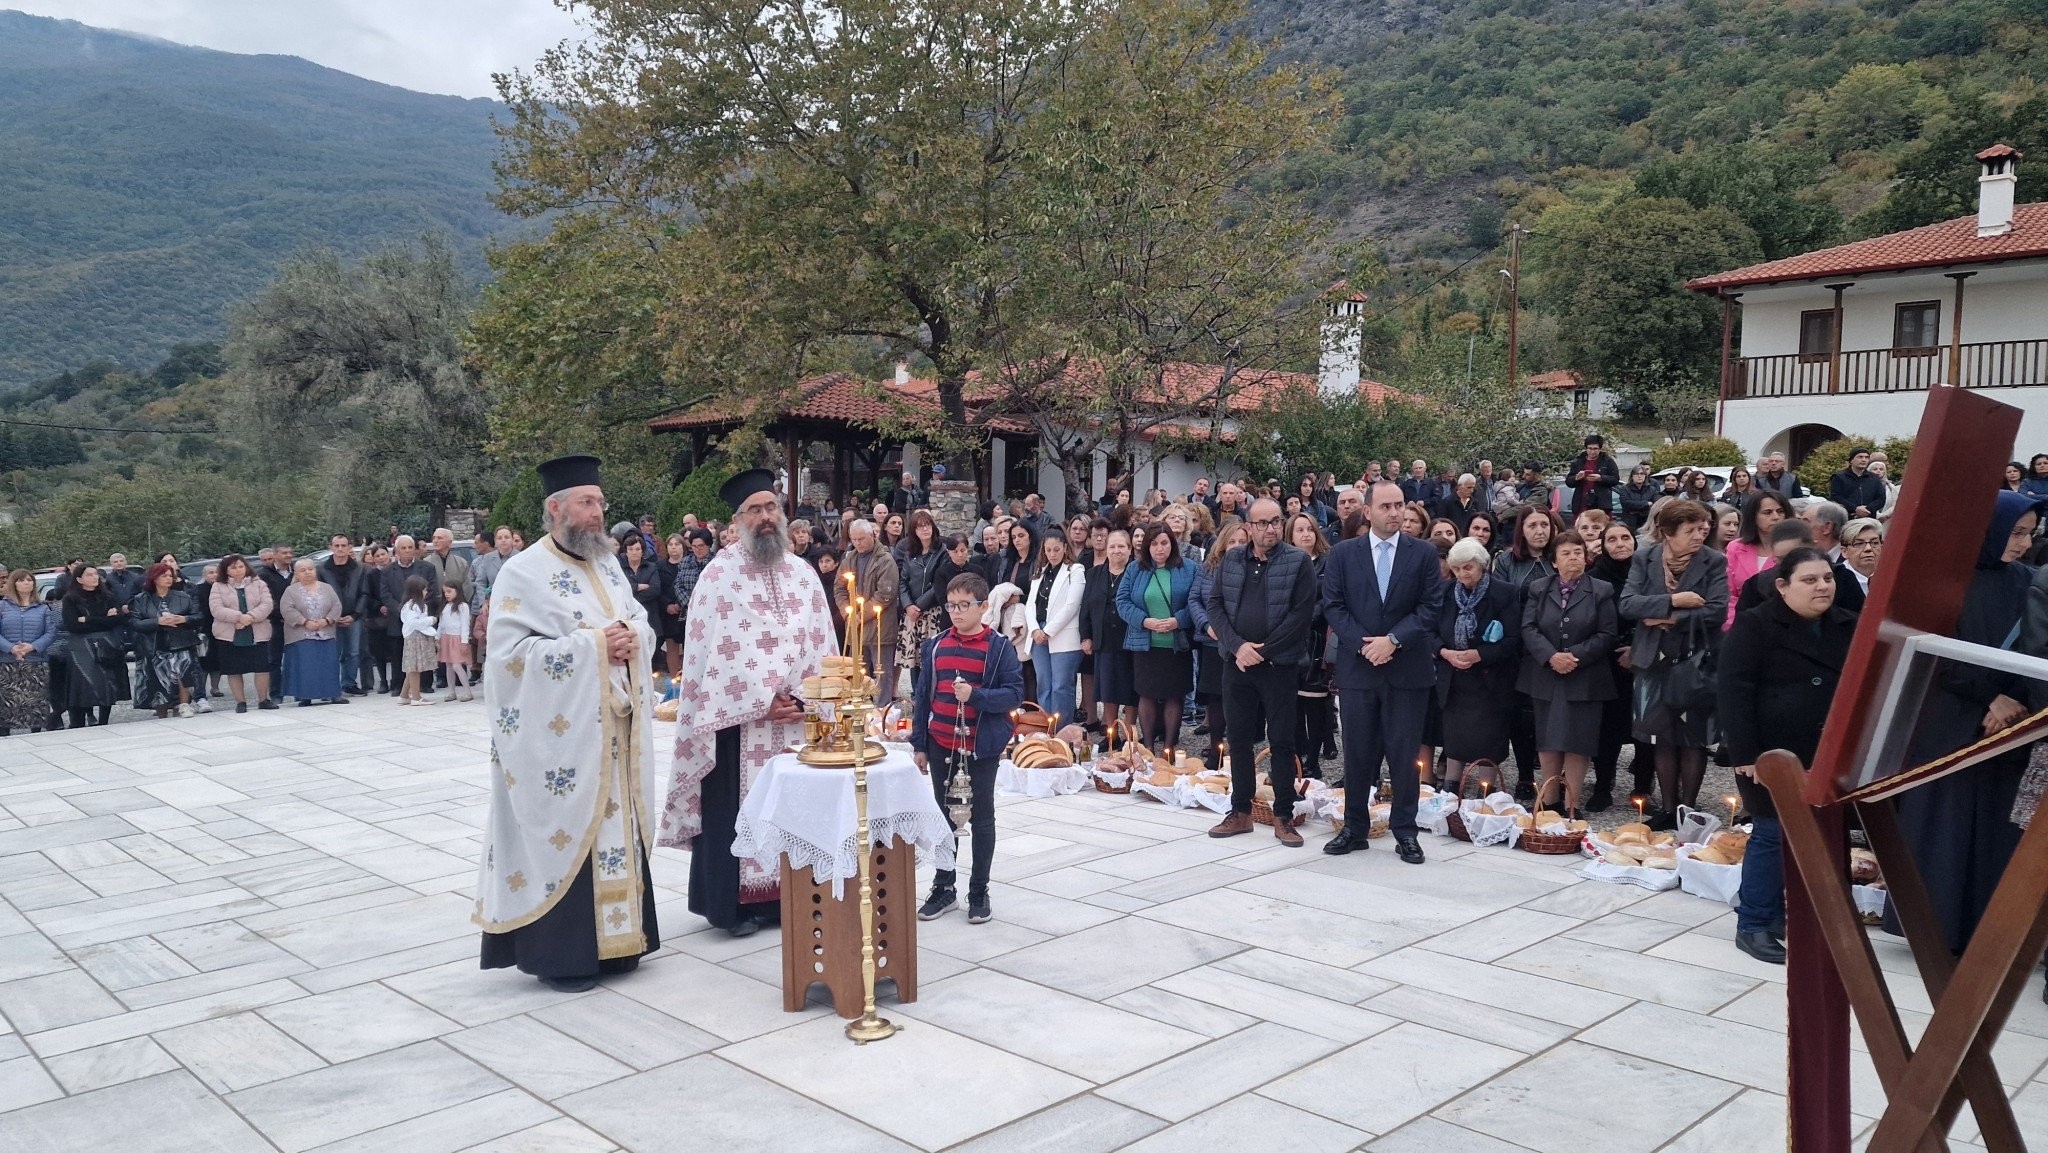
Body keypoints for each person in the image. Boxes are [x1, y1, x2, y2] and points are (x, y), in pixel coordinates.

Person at [478, 454, 662, 991]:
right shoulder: (522, 572)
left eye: (600, 503)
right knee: (567, 830)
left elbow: (638, 622)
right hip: (563, 739)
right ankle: (565, 955)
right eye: (587, 503)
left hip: (615, 732)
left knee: (617, 833)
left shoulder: (606, 564)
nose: (597, 513)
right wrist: (592, 647)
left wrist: (631, 640)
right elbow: (507, 662)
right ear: (555, 508)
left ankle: (619, 945)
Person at [662, 467, 837, 938]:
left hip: (796, 718)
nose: (764, 517)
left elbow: (820, 643)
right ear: (737, 519)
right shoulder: (718, 575)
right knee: (734, 808)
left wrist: (802, 695)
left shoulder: (803, 574)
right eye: (754, 510)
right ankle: (732, 906)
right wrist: (763, 700)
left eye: (771, 508)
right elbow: (711, 653)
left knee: (796, 807)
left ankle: (792, 896)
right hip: (738, 723)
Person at [1720, 546, 1855, 965]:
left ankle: (1806, 918)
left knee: (1824, 833)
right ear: (1782, 586)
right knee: (1772, 831)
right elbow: (1734, 689)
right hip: (1770, 752)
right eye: (1809, 580)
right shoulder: (1755, 625)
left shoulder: (1847, 624)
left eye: (1827, 578)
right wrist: (1745, 753)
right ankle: (1755, 923)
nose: (1822, 587)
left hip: (1827, 748)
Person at [1321, 480, 1443, 863]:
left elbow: (1430, 607)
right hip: (1359, 670)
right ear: (1368, 511)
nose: (1395, 513)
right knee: (1357, 753)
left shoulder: (1422, 553)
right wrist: (1366, 645)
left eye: (1400, 505)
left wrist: (1392, 641)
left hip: (1407, 670)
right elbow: (1334, 606)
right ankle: (1354, 827)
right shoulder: (1343, 554)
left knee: (1404, 754)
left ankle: (1405, 831)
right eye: (1387, 506)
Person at [909, 573, 1026, 924]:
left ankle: (979, 891)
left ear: (983, 606)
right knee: (945, 818)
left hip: (980, 747)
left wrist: (976, 696)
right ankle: (944, 887)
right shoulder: (937, 645)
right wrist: (919, 743)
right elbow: (922, 698)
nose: (956, 612)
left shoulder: (999, 647)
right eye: (951, 605)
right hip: (941, 741)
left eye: (964, 605)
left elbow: (1015, 694)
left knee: (981, 818)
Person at [1204, 498, 1320, 846]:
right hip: (1236, 663)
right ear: (1249, 527)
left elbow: (1301, 616)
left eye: (1276, 521)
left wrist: (1262, 652)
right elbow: (1215, 605)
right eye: (1263, 523)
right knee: (1237, 738)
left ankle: (1283, 815)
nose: (1271, 528)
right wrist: (1238, 646)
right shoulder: (1232, 559)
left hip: (1278, 667)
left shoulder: (1297, 562)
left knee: (1282, 740)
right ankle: (1240, 812)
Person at [1620, 499, 1728, 827]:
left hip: (1695, 660)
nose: (1700, 534)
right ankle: (1668, 809)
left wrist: (1667, 619)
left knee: (1693, 736)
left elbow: (1717, 610)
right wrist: (1673, 601)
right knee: (1661, 735)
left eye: (1702, 528)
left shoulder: (1713, 561)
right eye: (1690, 530)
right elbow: (1627, 604)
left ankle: (1688, 808)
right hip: (1653, 660)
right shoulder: (1644, 557)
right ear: (1667, 532)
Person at [1518, 531, 1619, 816]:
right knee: (1548, 740)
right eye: (1566, 553)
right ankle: (1549, 802)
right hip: (1546, 674)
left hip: (1585, 676)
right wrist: (1551, 656)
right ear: (1554, 562)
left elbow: (1607, 632)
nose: (1573, 557)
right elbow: (1528, 627)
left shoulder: (1601, 589)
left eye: (1578, 552)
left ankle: (1572, 804)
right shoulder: (1539, 588)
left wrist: (1576, 656)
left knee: (1579, 742)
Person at [1433, 539, 1520, 792]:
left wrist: (1479, 654)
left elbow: (1513, 639)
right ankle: (1450, 788)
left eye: (1468, 568)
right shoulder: (1445, 592)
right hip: (1453, 677)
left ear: (1482, 565)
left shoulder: (1504, 592)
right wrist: (1445, 652)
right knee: (1455, 737)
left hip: (1489, 678)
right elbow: (1429, 632)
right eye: (1457, 569)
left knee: (1489, 738)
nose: (1462, 574)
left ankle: (1486, 790)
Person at [1117, 521, 1195, 759]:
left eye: (1164, 543)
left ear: (1172, 544)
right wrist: (1145, 621)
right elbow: (1122, 602)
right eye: (1154, 544)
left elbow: (1196, 602)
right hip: (1145, 642)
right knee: (1146, 693)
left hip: (1176, 643)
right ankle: (1148, 747)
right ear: (1146, 547)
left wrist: (1177, 620)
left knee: (1174, 694)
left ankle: (1169, 747)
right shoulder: (1135, 569)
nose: (1160, 549)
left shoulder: (1189, 568)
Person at [1591, 521, 1646, 810]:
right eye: (1612, 539)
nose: (1620, 544)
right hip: (1608, 661)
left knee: (1644, 727)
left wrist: (1637, 647)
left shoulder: (1648, 573)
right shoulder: (1595, 577)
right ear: (1603, 545)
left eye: (1626, 537)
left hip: (1645, 658)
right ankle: (1602, 786)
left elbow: (1654, 613)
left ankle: (1642, 790)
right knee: (1607, 728)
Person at [1286, 513, 1337, 781]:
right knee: (1291, 702)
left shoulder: (1328, 562)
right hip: (1287, 641)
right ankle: (1295, 757)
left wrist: (1303, 620)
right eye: (1299, 530)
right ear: (1290, 535)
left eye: (1310, 529)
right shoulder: (1283, 562)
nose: (1305, 534)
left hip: (1316, 640)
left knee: (1315, 703)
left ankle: (1314, 760)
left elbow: (1329, 599)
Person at [1187, 520, 1243, 758]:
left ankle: (1238, 749)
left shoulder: (1256, 566)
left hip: (1241, 643)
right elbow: (1194, 599)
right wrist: (1208, 625)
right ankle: (1216, 747)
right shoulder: (1209, 567)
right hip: (1213, 641)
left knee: (1238, 699)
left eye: (1242, 541)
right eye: (1232, 541)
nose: (1237, 545)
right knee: (1215, 698)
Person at [837, 519, 902, 705]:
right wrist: (847, 612)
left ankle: (881, 710)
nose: (857, 543)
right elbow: (839, 587)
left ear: (872, 536)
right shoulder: (849, 558)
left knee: (883, 673)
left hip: (879, 626)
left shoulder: (885, 559)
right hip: (856, 626)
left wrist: (859, 616)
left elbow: (885, 594)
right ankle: (860, 707)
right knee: (857, 671)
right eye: (854, 539)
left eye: (861, 539)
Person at [1023, 532, 1085, 724]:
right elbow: (1030, 604)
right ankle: (1046, 726)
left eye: (1056, 549)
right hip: (1038, 631)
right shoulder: (1040, 572)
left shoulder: (1075, 570)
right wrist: (1034, 630)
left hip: (1062, 633)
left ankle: (1061, 729)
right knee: (1044, 684)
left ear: (1065, 548)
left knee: (1060, 685)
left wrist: (1048, 631)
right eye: (1048, 550)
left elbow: (1072, 605)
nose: (1052, 554)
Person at [58, 563, 130, 727]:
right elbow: (72, 625)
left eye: (95, 574)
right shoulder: (70, 598)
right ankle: (79, 721)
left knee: (107, 682)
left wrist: (89, 619)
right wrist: (104, 618)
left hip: (106, 643)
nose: (94, 577)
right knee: (83, 683)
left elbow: (118, 620)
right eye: (89, 575)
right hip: (81, 645)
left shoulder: (108, 596)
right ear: (79, 579)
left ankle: (103, 721)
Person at [1082, 528, 1137, 736]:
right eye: (1112, 546)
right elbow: (1085, 607)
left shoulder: (1136, 572)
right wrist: (1085, 636)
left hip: (1129, 639)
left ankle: (1130, 734)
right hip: (1103, 640)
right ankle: (1111, 733)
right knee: (1107, 689)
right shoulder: (1094, 574)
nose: (1116, 551)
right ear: (1105, 550)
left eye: (1121, 546)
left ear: (1129, 549)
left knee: (1130, 689)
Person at [132, 561, 204, 718]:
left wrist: (183, 619)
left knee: (183, 672)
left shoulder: (183, 596)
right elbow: (135, 622)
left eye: (171, 576)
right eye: (164, 576)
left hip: (181, 640)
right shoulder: (141, 598)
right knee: (159, 677)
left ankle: (184, 704)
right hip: (155, 642)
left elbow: (198, 616)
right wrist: (157, 621)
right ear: (154, 578)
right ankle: (161, 709)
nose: (168, 579)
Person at [375, 536, 441, 696]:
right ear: (396, 551)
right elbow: (385, 594)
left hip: (421, 617)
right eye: (403, 548)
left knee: (423, 651)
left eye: (410, 547)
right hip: (398, 619)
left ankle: (425, 684)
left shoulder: (427, 567)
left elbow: (432, 590)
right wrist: (403, 610)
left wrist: (417, 608)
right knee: (398, 653)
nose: (407, 551)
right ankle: (398, 685)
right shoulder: (387, 571)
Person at [210, 555, 275, 713]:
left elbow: (267, 604)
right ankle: (240, 702)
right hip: (228, 633)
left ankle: (263, 699)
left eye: (240, 566)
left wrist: (250, 617)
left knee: (261, 666)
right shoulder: (218, 586)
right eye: (233, 567)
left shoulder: (258, 583)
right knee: (233, 669)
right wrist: (239, 617)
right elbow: (216, 609)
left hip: (257, 630)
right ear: (226, 570)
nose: (238, 570)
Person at [279, 559, 348, 707]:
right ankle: (305, 696)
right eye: (303, 570)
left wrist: (327, 620)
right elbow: (287, 609)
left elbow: (336, 605)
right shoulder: (290, 591)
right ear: (296, 574)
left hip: (326, 632)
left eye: (310, 569)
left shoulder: (327, 587)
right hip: (302, 634)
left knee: (329, 665)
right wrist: (304, 622)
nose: (307, 572)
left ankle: (334, 694)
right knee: (306, 666)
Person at [1723, 490, 1793, 628]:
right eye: (1767, 512)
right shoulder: (1735, 547)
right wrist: (1734, 625)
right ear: (1753, 517)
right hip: (1740, 625)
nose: (1776, 517)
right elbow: (1729, 594)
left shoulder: (1795, 548)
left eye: (1780, 511)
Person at [0, 569, 56, 734]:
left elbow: (51, 632)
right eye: (22, 580)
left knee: (36, 700)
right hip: (7, 661)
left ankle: (36, 731)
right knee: (8, 700)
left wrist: (32, 647)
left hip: (36, 660)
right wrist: (11, 648)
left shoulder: (43, 608)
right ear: (13, 583)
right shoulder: (3, 606)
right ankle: (5, 733)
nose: (27, 583)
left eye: (29, 580)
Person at [317, 536, 372, 696]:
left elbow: (364, 593)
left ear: (350, 547)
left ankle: (349, 683)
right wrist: (331, 616)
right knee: (332, 653)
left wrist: (355, 615)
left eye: (343, 545)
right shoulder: (321, 569)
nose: (340, 549)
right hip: (330, 619)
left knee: (353, 652)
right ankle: (331, 684)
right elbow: (318, 594)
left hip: (354, 617)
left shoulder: (360, 568)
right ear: (331, 547)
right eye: (336, 545)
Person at [437, 582, 475, 702]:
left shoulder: (463, 606)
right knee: (448, 665)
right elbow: (441, 624)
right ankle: (451, 691)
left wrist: (464, 641)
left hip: (457, 638)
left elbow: (465, 625)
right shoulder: (445, 606)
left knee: (457, 665)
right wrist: (437, 637)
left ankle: (467, 692)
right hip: (446, 637)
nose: (446, 594)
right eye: (445, 592)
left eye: (449, 591)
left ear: (457, 591)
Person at [1567, 435, 1619, 518]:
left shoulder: (1608, 461)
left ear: (1600, 449)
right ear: (1586, 448)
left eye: (1595, 449)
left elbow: (1615, 479)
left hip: (1601, 505)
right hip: (1581, 503)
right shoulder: (1578, 461)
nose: (1592, 451)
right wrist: (1576, 478)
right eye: (1590, 448)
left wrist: (1601, 478)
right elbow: (1569, 482)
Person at [1829, 446, 1886, 518]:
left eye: (1866, 457)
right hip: (1846, 517)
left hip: (1869, 518)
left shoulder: (1874, 478)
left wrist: (1867, 510)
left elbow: (1881, 498)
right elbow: (1836, 497)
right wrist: (1855, 509)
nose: (1864, 460)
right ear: (1851, 460)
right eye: (1860, 457)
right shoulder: (1839, 477)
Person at [1841, 517, 1884, 595]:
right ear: (1845, 551)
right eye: (1859, 544)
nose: (1868, 548)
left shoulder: (1893, 577)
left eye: (1874, 543)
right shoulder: (1837, 580)